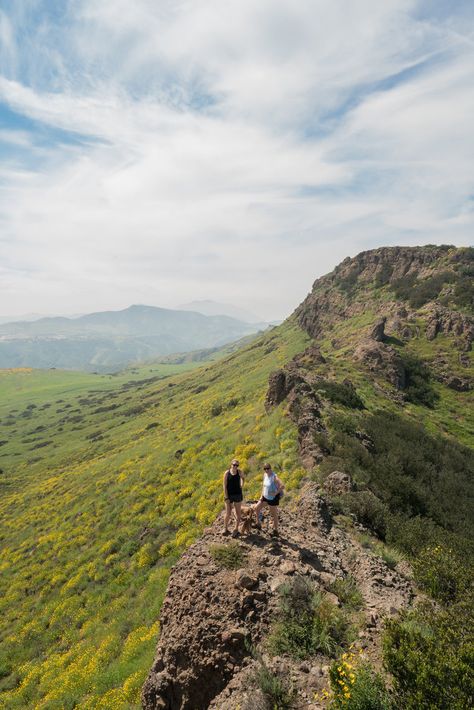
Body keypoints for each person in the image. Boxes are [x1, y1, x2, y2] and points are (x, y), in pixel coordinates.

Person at [254, 463, 283, 536]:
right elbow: (263, 487)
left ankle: (276, 531)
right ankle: (258, 524)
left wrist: (275, 493)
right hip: (265, 497)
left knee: (274, 514)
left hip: (273, 499)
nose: (266, 470)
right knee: (257, 508)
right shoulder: (265, 475)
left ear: (270, 468)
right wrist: (261, 496)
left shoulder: (274, 477)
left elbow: (282, 486)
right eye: (265, 469)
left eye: (268, 468)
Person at [223, 459, 244, 536]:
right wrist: (226, 497)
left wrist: (241, 485)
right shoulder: (227, 473)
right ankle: (225, 528)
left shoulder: (239, 472)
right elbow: (224, 486)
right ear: (231, 464)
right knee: (228, 513)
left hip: (238, 494)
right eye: (234, 465)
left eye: (237, 465)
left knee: (238, 513)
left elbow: (243, 478)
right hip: (229, 495)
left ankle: (236, 529)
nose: (235, 466)